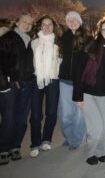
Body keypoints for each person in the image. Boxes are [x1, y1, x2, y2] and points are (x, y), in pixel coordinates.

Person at [73, 20, 105, 165]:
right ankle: (91, 153)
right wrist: (78, 97)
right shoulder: (91, 47)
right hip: (88, 93)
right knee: (96, 128)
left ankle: (101, 150)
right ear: (100, 31)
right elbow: (78, 72)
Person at [0, 13, 35, 164]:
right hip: (11, 84)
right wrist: (3, 85)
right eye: (24, 21)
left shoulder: (30, 40)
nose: (27, 24)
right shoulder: (7, 39)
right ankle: (3, 148)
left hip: (27, 83)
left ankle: (16, 146)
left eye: (30, 23)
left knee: (21, 118)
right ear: (17, 23)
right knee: (8, 118)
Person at [29, 15, 61, 157]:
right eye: (44, 24)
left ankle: (46, 139)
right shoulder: (34, 42)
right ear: (40, 26)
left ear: (53, 27)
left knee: (51, 112)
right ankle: (35, 142)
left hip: (53, 79)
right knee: (36, 113)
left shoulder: (58, 44)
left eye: (50, 25)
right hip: (37, 79)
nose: (47, 27)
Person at [58, 11, 90, 150]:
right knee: (65, 113)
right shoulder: (64, 36)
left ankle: (76, 139)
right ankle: (68, 136)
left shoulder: (87, 38)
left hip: (81, 80)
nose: (72, 22)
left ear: (79, 21)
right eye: (69, 20)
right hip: (65, 80)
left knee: (79, 113)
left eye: (74, 19)